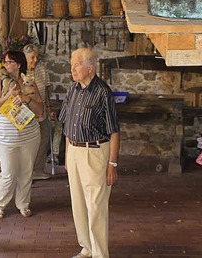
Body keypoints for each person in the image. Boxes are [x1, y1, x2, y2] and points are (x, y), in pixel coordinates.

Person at [59, 48, 120, 258]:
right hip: (74, 151)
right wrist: (68, 154)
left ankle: (100, 254)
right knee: (78, 204)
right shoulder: (73, 89)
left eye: (76, 65)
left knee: (96, 207)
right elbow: (66, 124)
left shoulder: (103, 92)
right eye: (72, 64)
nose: (72, 69)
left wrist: (112, 165)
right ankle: (87, 248)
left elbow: (114, 132)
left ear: (90, 68)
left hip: (95, 152)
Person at [0, 50, 44, 219]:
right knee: (8, 172)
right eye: (5, 62)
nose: (6, 65)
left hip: (29, 134)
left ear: (19, 64)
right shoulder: (0, 81)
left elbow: (40, 110)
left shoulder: (28, 82)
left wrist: (25, 99)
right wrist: (8, 96)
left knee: (26, 171)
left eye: (10, 62)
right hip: (6, 135)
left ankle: (23, 203)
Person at [23, 44, 55, 180]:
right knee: (28, 142)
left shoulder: (41, 68)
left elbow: (46, 88)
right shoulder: (21, 72)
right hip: (26, 113)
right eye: (32, 57)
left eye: (37, 57)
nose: (35, 60)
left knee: (45, 138)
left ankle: (37, 169)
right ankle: (26, 171)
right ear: (25, 57)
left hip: (41, 111)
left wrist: (49, 107)